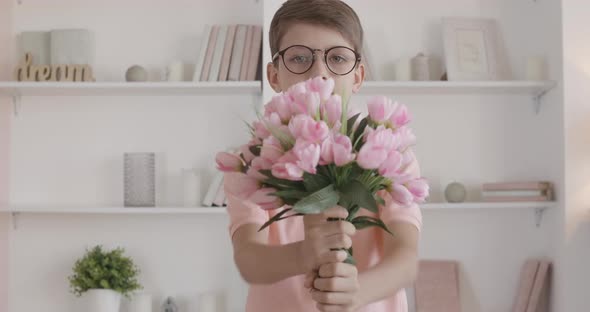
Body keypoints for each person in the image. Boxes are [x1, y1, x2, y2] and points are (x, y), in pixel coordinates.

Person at [224, 1, 423, 311]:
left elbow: (406, 258)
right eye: (300, 58)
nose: (320, 74)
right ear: (273, 75)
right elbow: (249, 259)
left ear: (358, 76)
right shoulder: (251, 159)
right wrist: (304, 254)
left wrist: (357, 293)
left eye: (338, 58)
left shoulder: (390, 150)